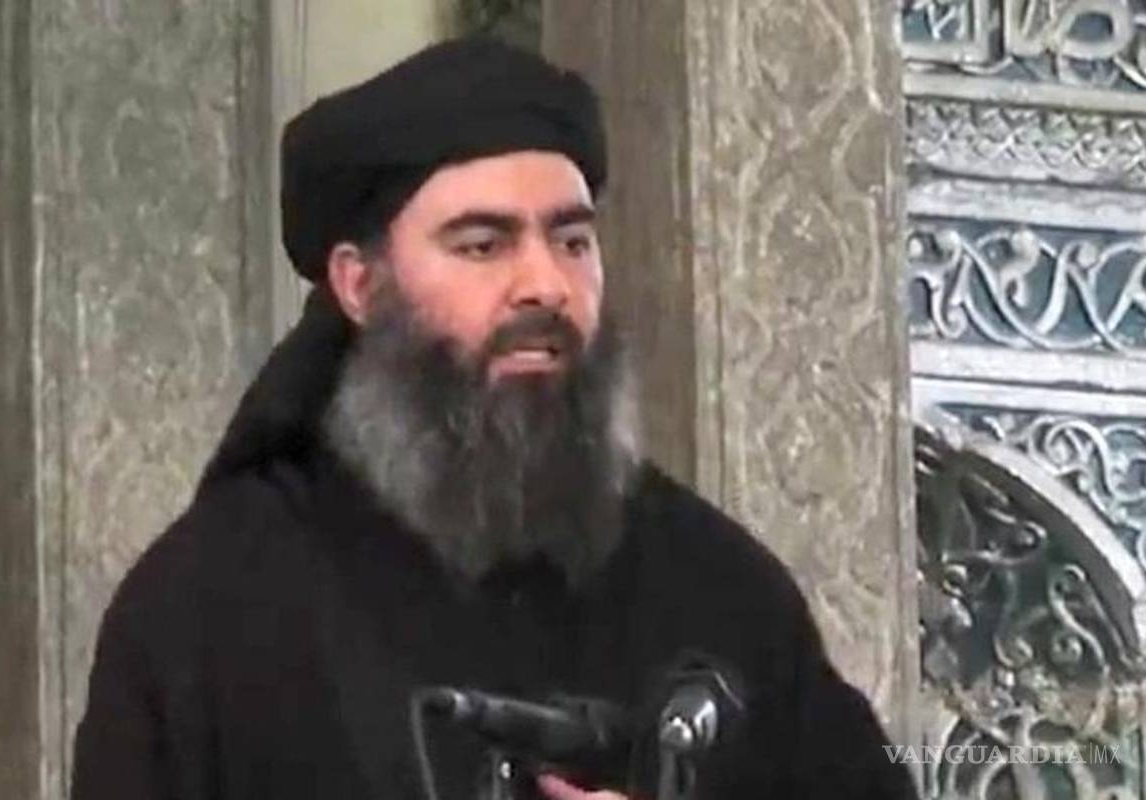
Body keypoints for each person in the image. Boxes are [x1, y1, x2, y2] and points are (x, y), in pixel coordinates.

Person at [71, 36, 916, 800]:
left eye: (572, 242)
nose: (544, 285)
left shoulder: (722, 592)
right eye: (483, 245)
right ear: (360, 285)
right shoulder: (209, 610)